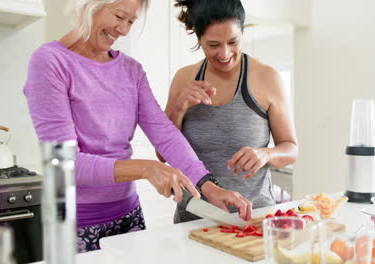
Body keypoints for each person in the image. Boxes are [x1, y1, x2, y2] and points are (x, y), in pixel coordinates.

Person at [23, 0, 251, 253]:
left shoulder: (131, 70)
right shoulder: (50, 61)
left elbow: (164, 134)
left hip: (128, 216)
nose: (124, 30)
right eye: (120, 16)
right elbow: (64, 162)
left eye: (131, 21)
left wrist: (209, 187)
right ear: (89, 5)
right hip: (75, 223)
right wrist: (145, 168)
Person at [163, 0, 299, 223]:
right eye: (213, 45)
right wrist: (179, 108)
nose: (225, 54)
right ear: (199, 39)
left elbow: (291, 150)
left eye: (233, 42)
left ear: (243, 33)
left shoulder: (267, 78)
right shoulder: (184, 78)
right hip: (193, 218)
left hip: (253, 218)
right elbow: (164, 153)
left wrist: (265, 154)